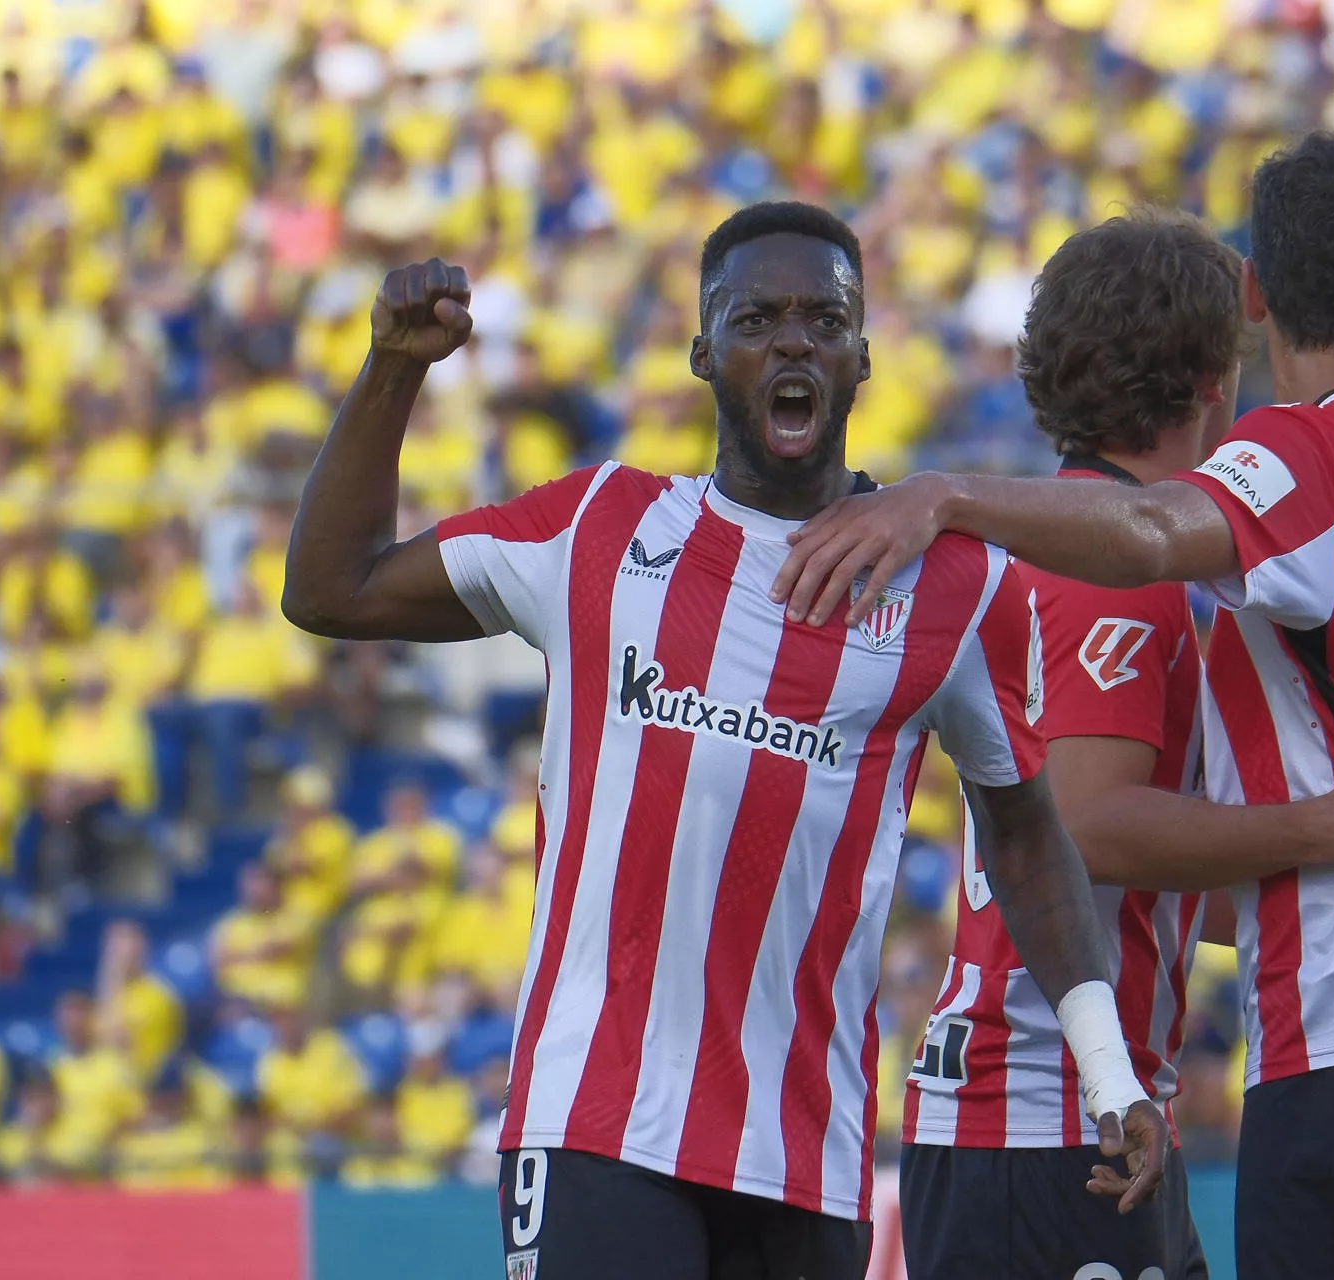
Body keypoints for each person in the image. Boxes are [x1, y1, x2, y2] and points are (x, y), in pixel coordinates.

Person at [773, 132, 1334, 1279]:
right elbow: (1098, 823)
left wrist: (947, 492)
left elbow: (1156, 572)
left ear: (1260, 295)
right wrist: (1316, 832)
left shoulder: (1239, 511)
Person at [280, 200, 1167, 1280]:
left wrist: (1112, 1074)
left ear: (863, 355)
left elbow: (1026, 839)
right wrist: (392, 372)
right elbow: (332, 588)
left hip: (808, 1153)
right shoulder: (597, 531)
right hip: (599, 1123)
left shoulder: (953, 588)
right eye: (757, 317)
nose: (793, 340)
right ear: (705, 351)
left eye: (823, 318)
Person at [900, 209, 1334, 1280]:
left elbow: (1142, 866)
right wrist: (1326, 823)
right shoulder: (1124, 572)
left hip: (1074, 1102)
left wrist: (1310, 884)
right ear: (1218, 378)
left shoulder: (1068, 536)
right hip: (1047, 1115)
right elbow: (1090, 824)